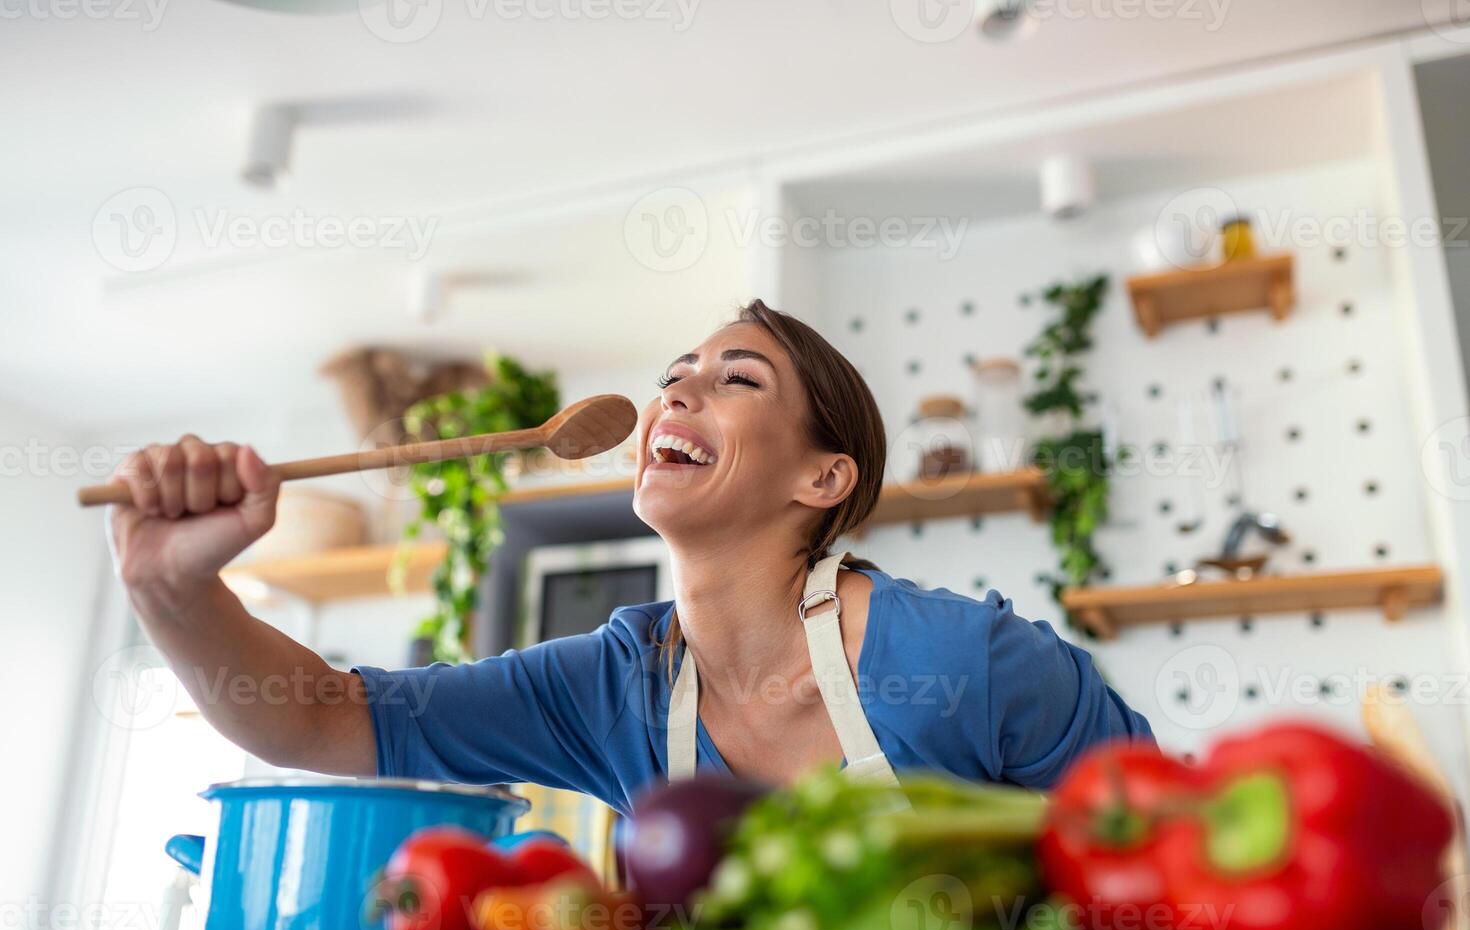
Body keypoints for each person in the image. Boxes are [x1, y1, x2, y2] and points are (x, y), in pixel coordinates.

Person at [108, 300, 1152, 814]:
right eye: (675, 373)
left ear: (824, 478)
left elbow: (1171, 863)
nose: (678, 393)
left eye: (737, 379)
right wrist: (172, 587)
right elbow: (323, 718)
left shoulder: (977, 660)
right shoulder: (608, 687)